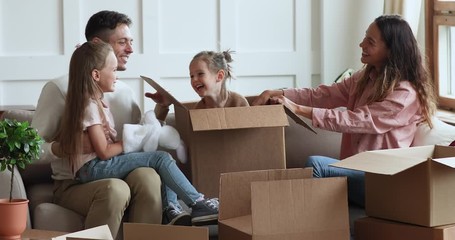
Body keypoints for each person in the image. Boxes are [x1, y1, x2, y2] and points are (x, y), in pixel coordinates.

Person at [252, 14, 437, 207]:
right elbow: (322, 94)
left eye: (370, 41)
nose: (361, 44)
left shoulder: (405, 94)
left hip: (383, 181)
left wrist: (297, 109)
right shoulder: (364, 78)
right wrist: (278, 92)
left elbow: (357, 120)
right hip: (356, 170)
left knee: (316, 165)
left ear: (391, 50)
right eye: (365, 37)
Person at [57, 41, 219, 229]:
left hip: (95, 166)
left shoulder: (96, 102)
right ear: (96, 75)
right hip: (93, 168)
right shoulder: (90, 106)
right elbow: (103, 152)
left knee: (162, 161)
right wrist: (132, 139)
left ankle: (172, 208)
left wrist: (145, 130)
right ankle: (197, 203)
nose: (117, 76)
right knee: (161, 158)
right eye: (114, 70)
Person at [32, 10, 162, 238]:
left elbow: (136, 142)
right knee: (115, 189)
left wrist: (162, 110)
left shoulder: (125, 91)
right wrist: (62, 148)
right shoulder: (59, 89)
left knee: (149, 176)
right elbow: (29, 150)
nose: (130, 49)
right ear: (97, 43)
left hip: (118, 171)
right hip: (75, 182)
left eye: (131, 42)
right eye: (122, 42)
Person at [145, 49, 249, 222]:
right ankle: (172, 209)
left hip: (234, 167)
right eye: (191, 76)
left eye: (200, 74)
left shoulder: (239, 103)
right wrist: (163, 107)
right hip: (205, 172)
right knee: (167, 159)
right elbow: (159, 132)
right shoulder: (197, 112)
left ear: (219, 76)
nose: (194, 80)